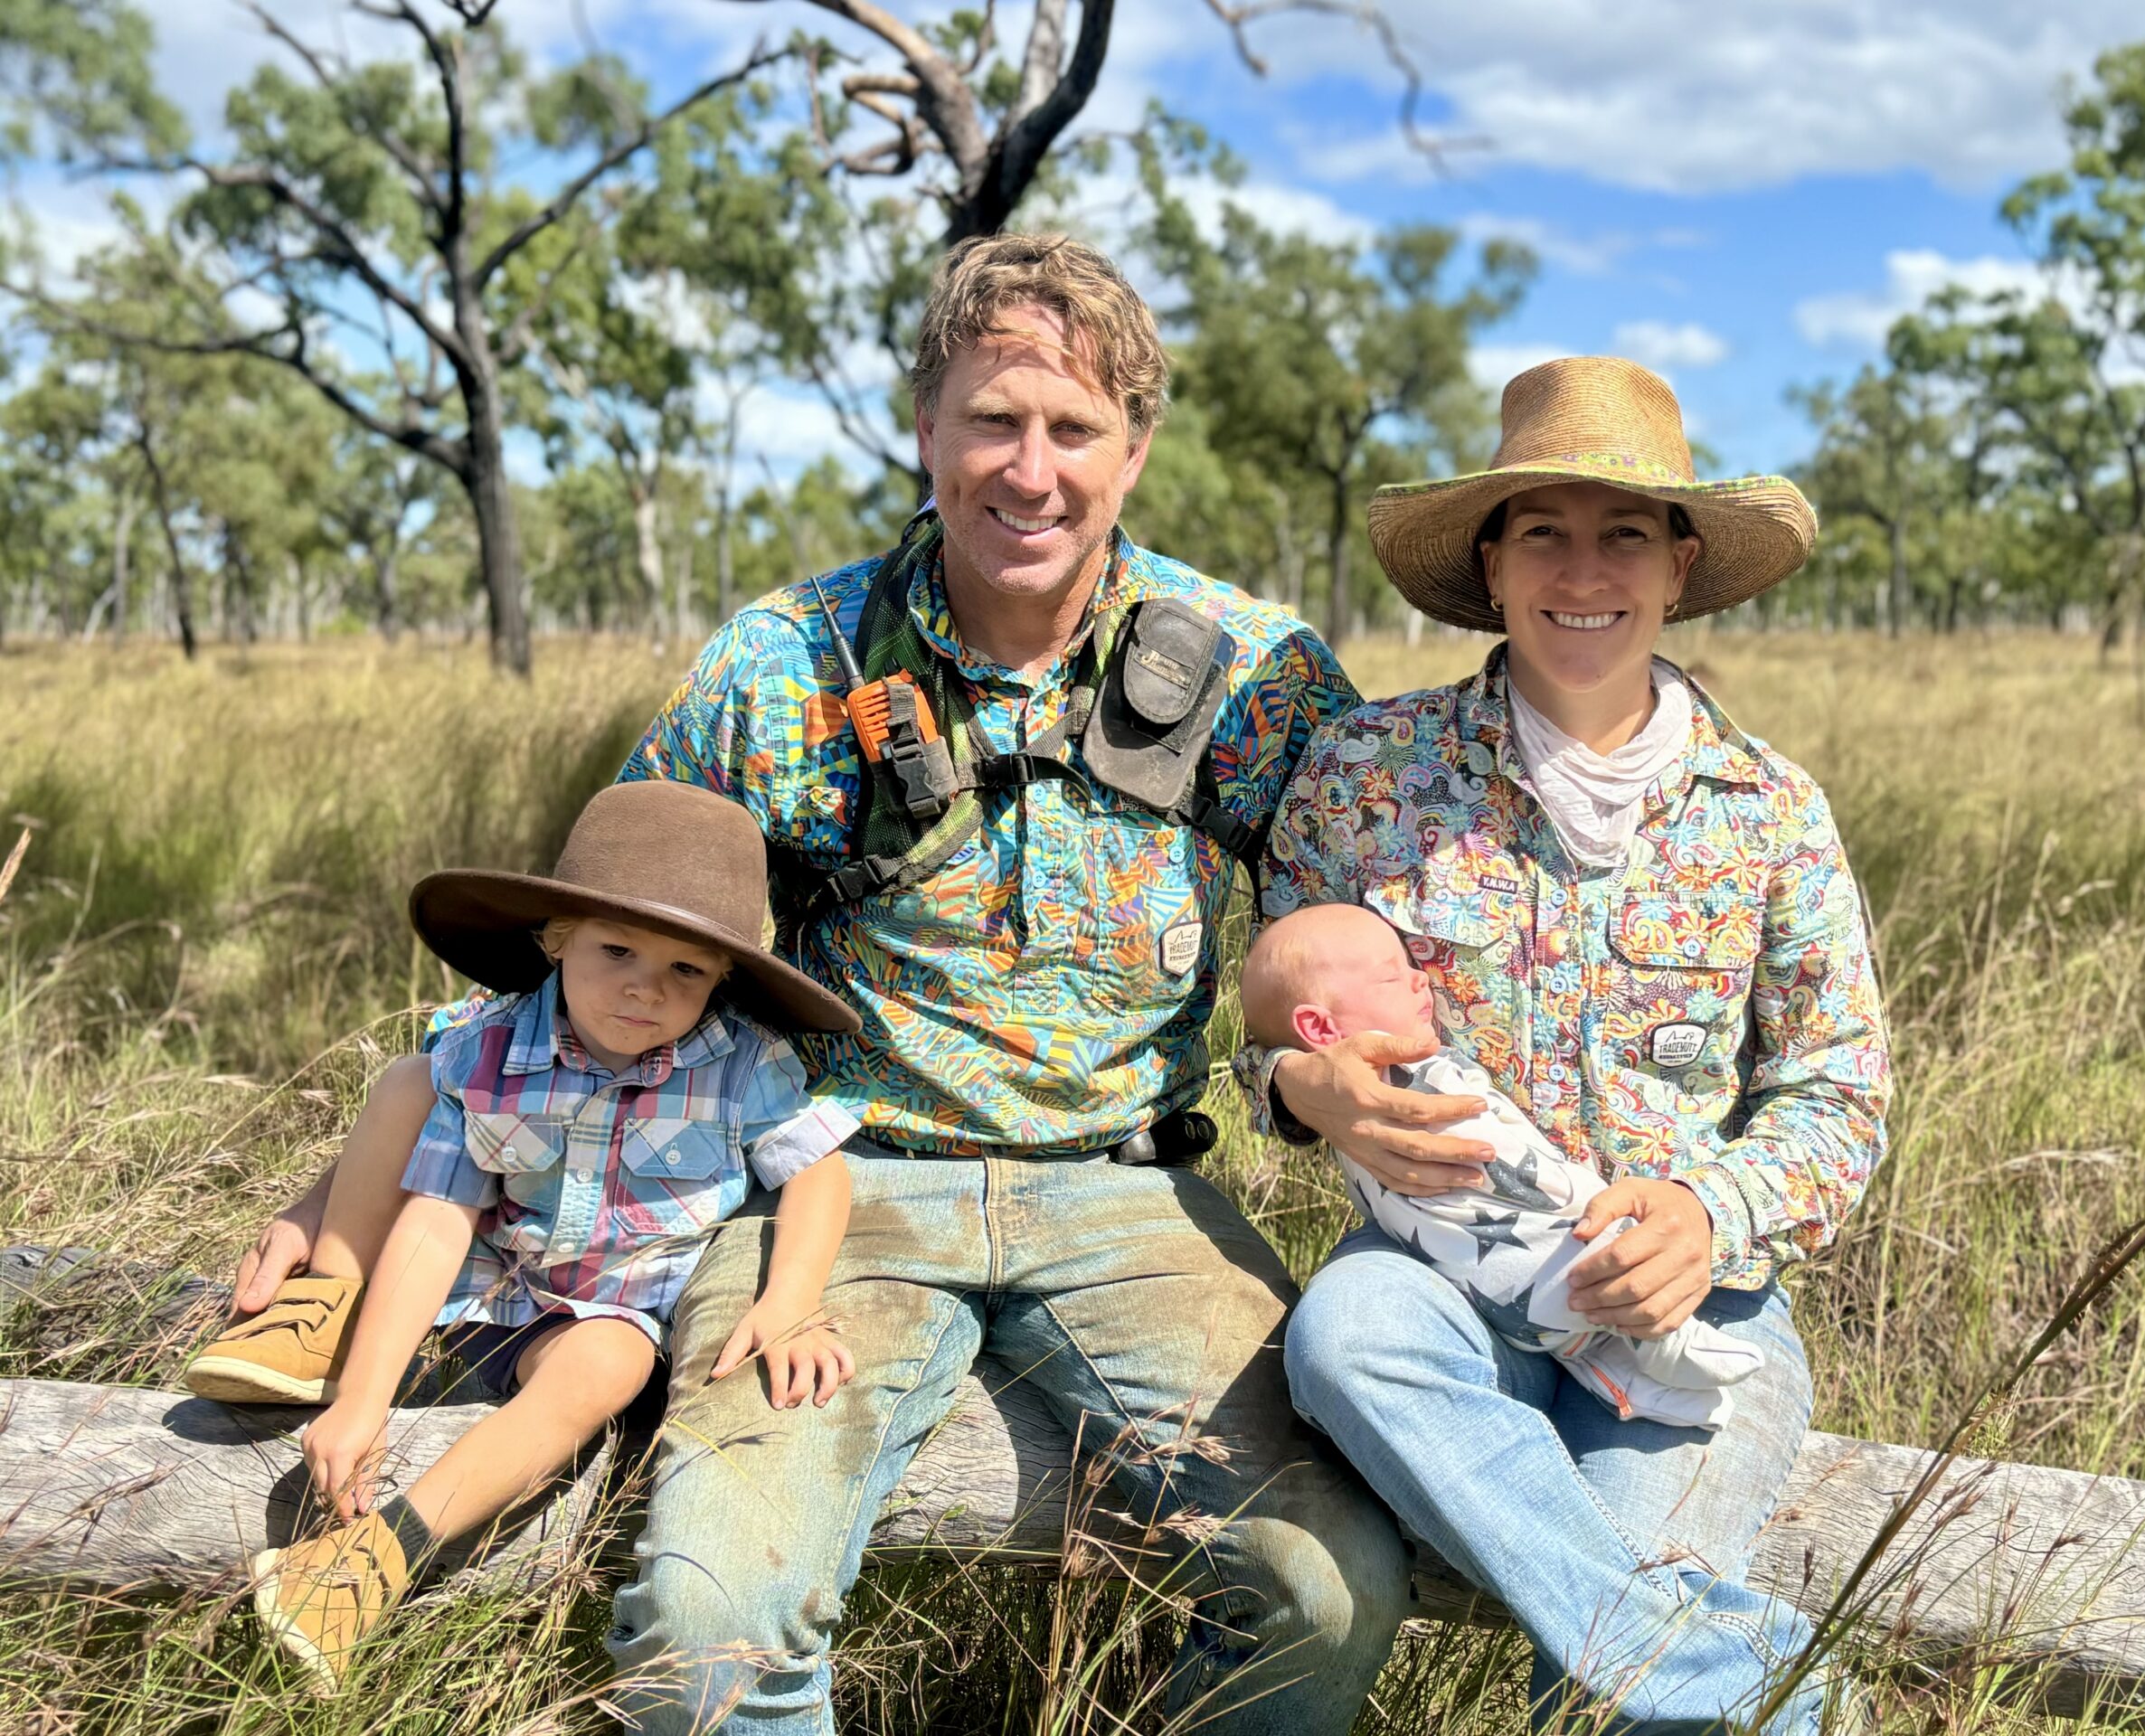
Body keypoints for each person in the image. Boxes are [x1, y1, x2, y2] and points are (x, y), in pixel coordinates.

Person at [220, 233, 1409, 1734]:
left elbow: (1369, 937)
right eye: (990, 420)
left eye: (1072, 429)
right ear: (925, 427)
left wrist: (1368, 1088)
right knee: (708, 1631)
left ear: (1137, 447)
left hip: (1138, 1201)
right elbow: (608, 933)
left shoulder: (1252, 669)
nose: (1026, 470)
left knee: (1327, 1587)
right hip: (832, 1196)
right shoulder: (790, 662)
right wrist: (341, 1210)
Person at [1249, 356, 1891, 1732]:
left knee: (1594, 1700)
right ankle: (1767, 1684)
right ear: (1490, 563)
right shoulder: (1368, 777)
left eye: (1623, 533)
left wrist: (1708, 1215)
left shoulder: (1768, 809)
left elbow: (1841, 1095)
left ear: (1680, 565)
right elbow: (1272, 1027)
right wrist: (1308, 1089)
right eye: (1543, 529)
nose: (1582, 570)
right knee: (1342, 1333)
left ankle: (1657, 1661)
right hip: (1441, 1275)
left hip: (1686, 1313)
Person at [183, 779, 864, 1693]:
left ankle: (362, 1567)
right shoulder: (493, 1049)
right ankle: (324, 1314)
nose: (645, 988)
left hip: (605, 1308)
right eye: (616, 950)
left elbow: (815, 1170)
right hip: (473, 1286)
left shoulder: (741, 1064)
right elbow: (436, 1215)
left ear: (722, 979)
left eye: (686, 971)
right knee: (403, 1080)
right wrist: (365, 1402)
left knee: (612, 1364)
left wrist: (790, 1300)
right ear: (556, 940)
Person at [1239, 901, 1762, 1430]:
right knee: (1344, 1338)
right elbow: (1517, 1167)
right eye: (1393, 975)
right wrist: (1285, 1074)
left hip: (1556, 1289)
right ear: (1319, 1028)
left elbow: (1838, 1080)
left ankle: (1625, 1378)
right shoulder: (1423, 1079)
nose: (1423, 979)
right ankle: (1666, 1343)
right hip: (1563, 1262)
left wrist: (1708, 1207)